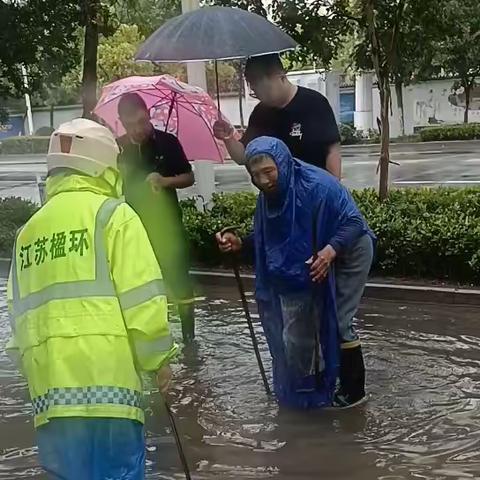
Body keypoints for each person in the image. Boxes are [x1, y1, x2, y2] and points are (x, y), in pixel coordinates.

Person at [6, 119, 177, 479]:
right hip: (110, 391)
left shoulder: (28, 232)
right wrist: (159, 359)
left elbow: (16, 320)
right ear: (105, 168)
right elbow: (142, 299)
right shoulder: (114, 216)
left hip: (51, 397)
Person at [216, 137, 374, 409]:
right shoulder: (271, 199)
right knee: (312, 317)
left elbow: (354, 222)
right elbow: (270, 235)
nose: (264, 180)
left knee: (339, 319)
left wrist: (329, 252)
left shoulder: (318, 186)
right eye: (256, 175)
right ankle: (321, 379)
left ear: (283, 164)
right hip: (318, 250)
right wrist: (240, 241)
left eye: (269, 171)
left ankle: (353, 391)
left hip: (349, 249)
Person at [117, 92, 196, 343]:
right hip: (134, 230)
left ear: (148, 115)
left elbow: (188, 177)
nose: (137, 129)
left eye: (141, 122)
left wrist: (164, 181)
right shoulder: (118, 148)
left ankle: (188, 338)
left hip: (169, 228)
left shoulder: (167, 142)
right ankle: (151, 340)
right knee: (141, 288)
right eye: (130, 125)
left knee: (181, 284)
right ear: (121, 122)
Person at [213, 54, 342, 178]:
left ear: (280, 76)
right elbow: (243, 156)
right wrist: (228, 138)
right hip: (278, 195)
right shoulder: (260, 113)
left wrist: (333, 189)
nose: (257, 93)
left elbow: (332, 150)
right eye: (253, 88)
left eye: (261, 87)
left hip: (314, 189)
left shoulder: (314, 103)